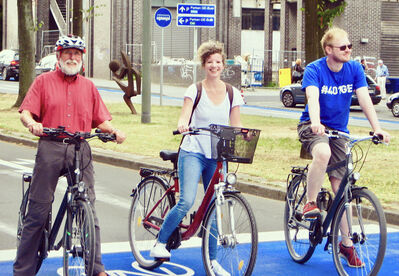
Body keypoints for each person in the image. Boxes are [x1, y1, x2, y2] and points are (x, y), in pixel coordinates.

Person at [14, 34, 126, 276]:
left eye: (77, 54)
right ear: (59, 56)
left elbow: (102, 120)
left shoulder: (89, 87)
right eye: (68, 53)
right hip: (51, 146)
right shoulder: (43, 82)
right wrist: (32, 124)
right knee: (39, 209)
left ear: (82, 59)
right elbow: (25, 113)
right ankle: (22, 271)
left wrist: (114, 130)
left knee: (89, 207)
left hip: (80, 147)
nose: (72, 57)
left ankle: (96, 268)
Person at [149, 41, 245, 276]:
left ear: (224, 65)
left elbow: (236, 125)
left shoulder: (232, 93)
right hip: (194, 150)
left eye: (218, 62)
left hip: (217, 154)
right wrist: (183, 124)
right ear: (204, 65)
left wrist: (242, 137)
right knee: (187, 200)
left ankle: (213, 262)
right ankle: (159, 243)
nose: (215, 66)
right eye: (210, 62)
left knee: (215, 206)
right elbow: (185, 115)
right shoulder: (195, 90)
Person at [297, 27, 390, 267]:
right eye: (343, 47)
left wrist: (377, 127)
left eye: (349, 46)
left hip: (339, 131)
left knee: (342, 187)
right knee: (323, 152)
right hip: (313, 125)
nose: (348, 50)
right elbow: (313, 97)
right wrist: (316, 123)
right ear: (328, 50)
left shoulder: (354, 69)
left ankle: (346, 244)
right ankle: (310, 202)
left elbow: (364, 98)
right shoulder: (315, 69)